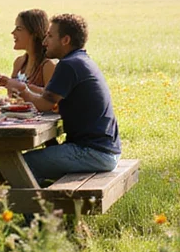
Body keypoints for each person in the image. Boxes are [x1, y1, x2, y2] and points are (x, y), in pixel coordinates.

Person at [7, 13, 121, 184]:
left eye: (50, 36)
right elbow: (48, 97)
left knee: (21, 166)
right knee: (29, 167)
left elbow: (44, 104)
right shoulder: (80, 60)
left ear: (65, 40)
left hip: (94, 153)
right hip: (105, 150)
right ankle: (46, 199)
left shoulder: (68, 65)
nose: (44, 42)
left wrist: (22, 89)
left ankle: (42, 203)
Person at [0, 8, 56, 92]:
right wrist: (3, 82)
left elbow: (49, 96)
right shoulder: (19, 62)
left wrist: (4, 80)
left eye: (19, 29)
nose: (13, 32)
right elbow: (12, 96)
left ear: (34, 33)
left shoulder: (48, 65)